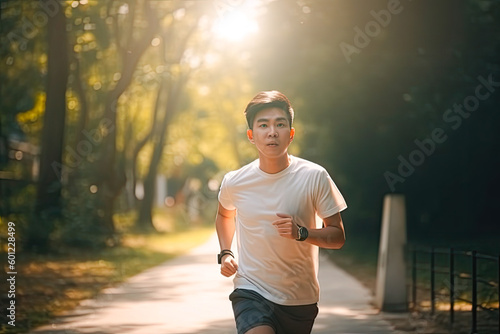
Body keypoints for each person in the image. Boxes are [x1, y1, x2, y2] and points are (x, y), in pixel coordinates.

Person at [215, 90, 347, 334]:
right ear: (251, 136)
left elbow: (338, 237)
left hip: (299, 298)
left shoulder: (315, 177)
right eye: (263, 125)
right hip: (250, 289)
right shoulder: (235, 181)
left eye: (280, 124)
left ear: (291, 134)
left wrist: (303, 233)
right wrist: (225, 253)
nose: (272, 132)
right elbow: (225, 214)